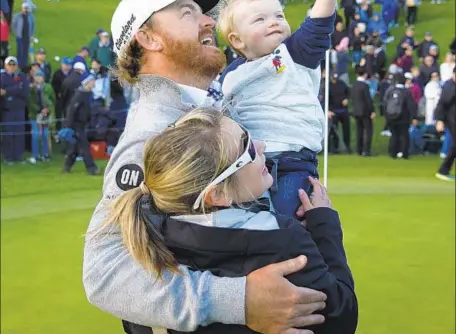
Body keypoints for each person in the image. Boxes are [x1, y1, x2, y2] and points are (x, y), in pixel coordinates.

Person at [84, 0, 329, 334]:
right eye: (187, 13)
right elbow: (104, 274)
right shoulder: (151, 135)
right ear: (149, 38)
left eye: (203, 11)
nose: (209, 20)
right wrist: (237, 300)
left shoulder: (211, 105)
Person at [100, 107, 358, 334]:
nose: (261, 146)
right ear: (218, 194)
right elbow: (341, 317)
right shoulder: (284, 240)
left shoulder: (144, 235)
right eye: (247, 149)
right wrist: (325, 227)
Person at [217, 0, 346, 218]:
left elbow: (318, 26)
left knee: (284, 225)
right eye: (260, 19)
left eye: (279, 16)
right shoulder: (229, 76)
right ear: (237, 41)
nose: (274, 22)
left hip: (292, 162)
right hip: (246, 164)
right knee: (245, 226)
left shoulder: (294, 54)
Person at [61, 73, 100, 175]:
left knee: (74, 148)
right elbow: (71, 110)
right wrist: (68, 127)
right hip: (76, 125)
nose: (94, 83)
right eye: (92, 81)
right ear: (88, 82)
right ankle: (91, 168)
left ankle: (66, 167)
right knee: (84, 146)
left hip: (82, 124)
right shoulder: (79, 95)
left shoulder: (87, 94)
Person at [0, 56, 29, 164]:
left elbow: (25, 91)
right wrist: (16, 88)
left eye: (13, 65)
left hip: (19, 109)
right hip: (7, 110)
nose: (11, 67)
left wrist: (7, 91)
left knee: (19, 133)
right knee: (8, 134)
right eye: (9, 64)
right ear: (5, 65)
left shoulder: (21, 76)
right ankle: (8, 156)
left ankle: (19, 155)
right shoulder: (2, 77)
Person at [384, 73, 417, 159]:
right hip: (403, 117)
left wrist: (387, 116)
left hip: (391, 116)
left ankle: (392, 152)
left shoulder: (390, 91)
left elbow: (385, 103)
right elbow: (411, 105)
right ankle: (404, 153)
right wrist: (414, 117)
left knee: (394, 135)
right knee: (404, 135)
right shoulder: (406, 92)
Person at [27, 69, 55, 163]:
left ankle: (46, 154)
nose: (38, 78)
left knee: (45, 134)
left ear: (43, 78)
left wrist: (47, 109)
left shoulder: (48, 87)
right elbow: (30, 102)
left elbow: (53, 100)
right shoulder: (31, 88)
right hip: (35, 115)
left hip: (46, 115)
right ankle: (35, 155)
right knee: (35, 134)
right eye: (36, 76)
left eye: (40, 76)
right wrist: (39, 110)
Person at [435, 66, 456, 181]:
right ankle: (443, 170)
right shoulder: (449, 86)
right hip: (452, 119)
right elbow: (442, 104)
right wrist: (439, 120)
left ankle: (444, 170)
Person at [351, 68, 375, 156]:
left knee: (359, 131)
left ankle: (359, 150)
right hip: (365, 111)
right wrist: (372, 111)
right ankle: (366, 150)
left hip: (356, 110)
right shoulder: (364, 86)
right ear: (364, 74)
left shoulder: (354, 85)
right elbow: (368, 100)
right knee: (368, 131)